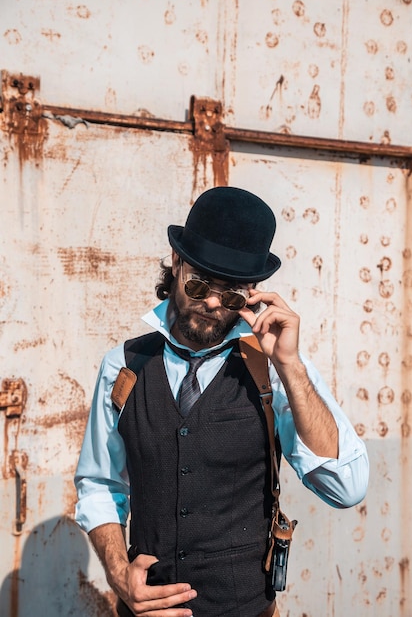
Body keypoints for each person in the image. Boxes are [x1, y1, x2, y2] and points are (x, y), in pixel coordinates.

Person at [74, 186, 369, 617]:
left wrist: (290, 366)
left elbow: (347, 488)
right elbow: (101, 484)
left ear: (253, 292)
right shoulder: (124, 364)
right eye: (199, 283)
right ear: (175, 263)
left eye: (231, 294)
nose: (212, 303)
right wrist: (119, 575)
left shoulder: (274, 369)